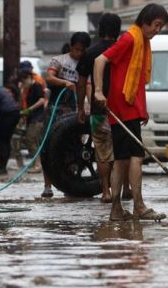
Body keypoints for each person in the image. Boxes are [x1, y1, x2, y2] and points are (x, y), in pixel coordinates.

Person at [93, 3, 168, 221]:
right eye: (156, 25)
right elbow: (100, 61)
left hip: (130, 108)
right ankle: (138, 206)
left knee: (123, 159)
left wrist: (142, 110)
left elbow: (136, 82)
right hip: (122, 107)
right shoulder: (129, 39)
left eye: (161, 27)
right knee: (135, 157)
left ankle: (117, 209)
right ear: (145, 21)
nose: (157, 30)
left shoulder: (142, 43)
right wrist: (98, 91)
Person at [76, 13, 123, 204]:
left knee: (102, 152)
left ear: (100, 29)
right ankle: (125, 190)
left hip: (98, 110)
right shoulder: (124, 51)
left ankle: (105, 192)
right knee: (122, 153)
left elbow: (80, 82)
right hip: (122, 111)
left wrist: (80, 107)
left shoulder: (91, 52)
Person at [18, 68, 53, 197]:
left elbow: (42, 100)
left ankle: (38, 164)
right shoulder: (29, 89)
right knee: (30, 139)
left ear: (28, 77)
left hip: (38, 118)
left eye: (23, 80)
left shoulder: (37, 86)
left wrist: (29, 110)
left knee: (32, 139)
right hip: (33, 118)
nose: (23, 83)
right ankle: (36, 163)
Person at [45, 31, 91, 113]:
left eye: (82, 50)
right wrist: (65, 82)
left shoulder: (87, 65)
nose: (79, 53)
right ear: (71, 46)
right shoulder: (58, 60)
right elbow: (49, 78)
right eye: (77, 49)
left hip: (75, 109)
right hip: (55, 107)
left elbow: (88, 87)